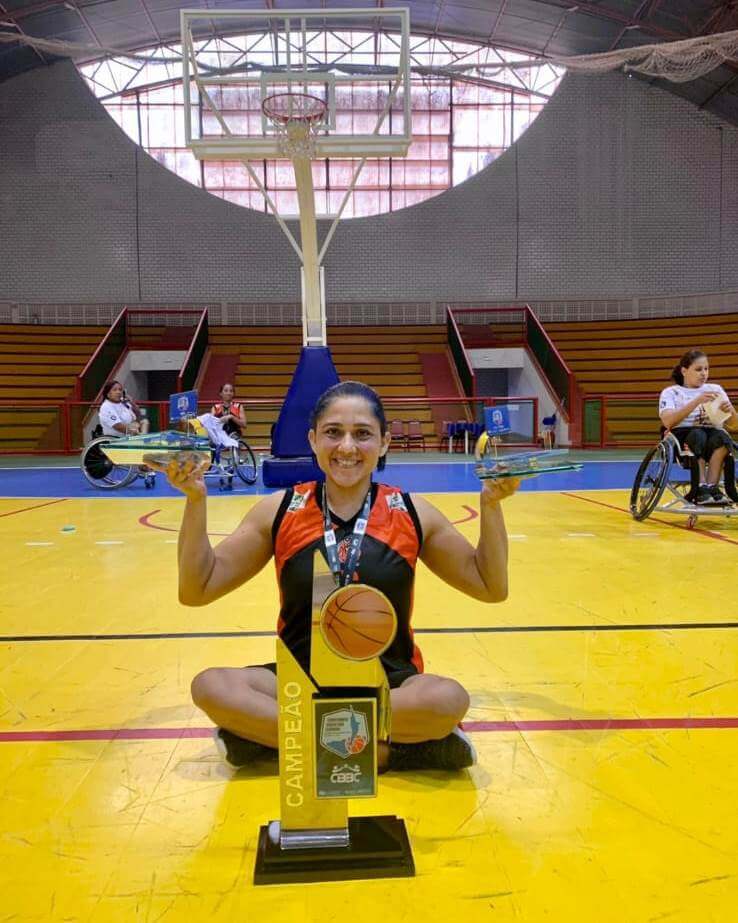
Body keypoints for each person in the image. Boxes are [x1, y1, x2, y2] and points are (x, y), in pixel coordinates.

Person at [159, 381, 519, 772]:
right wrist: (195, 499)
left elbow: (489, 586)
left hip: (389, 685)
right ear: (313, 440)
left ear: (384, 443)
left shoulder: (413, 512)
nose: (347, 447)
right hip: (301, 681)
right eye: (333, 432)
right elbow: (197, 589)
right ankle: (394, 751)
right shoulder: (279, 510)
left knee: (446, 699)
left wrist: (491, 504)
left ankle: (280, 740)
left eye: (362, 434)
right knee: (212, 687)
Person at [659, 348, 737, 505]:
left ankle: (711, 487)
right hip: (683, 437)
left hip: (713, 434)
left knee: (723, 438)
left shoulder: (715, 389)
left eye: (706, 369)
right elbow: (668, 422)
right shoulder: (672, 392)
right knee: (698, 435)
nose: (704, 373)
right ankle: (700, 487)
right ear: (684, 371)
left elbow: (734, 426)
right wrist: (696, 401)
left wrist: (731, 412)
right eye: (698, 369)